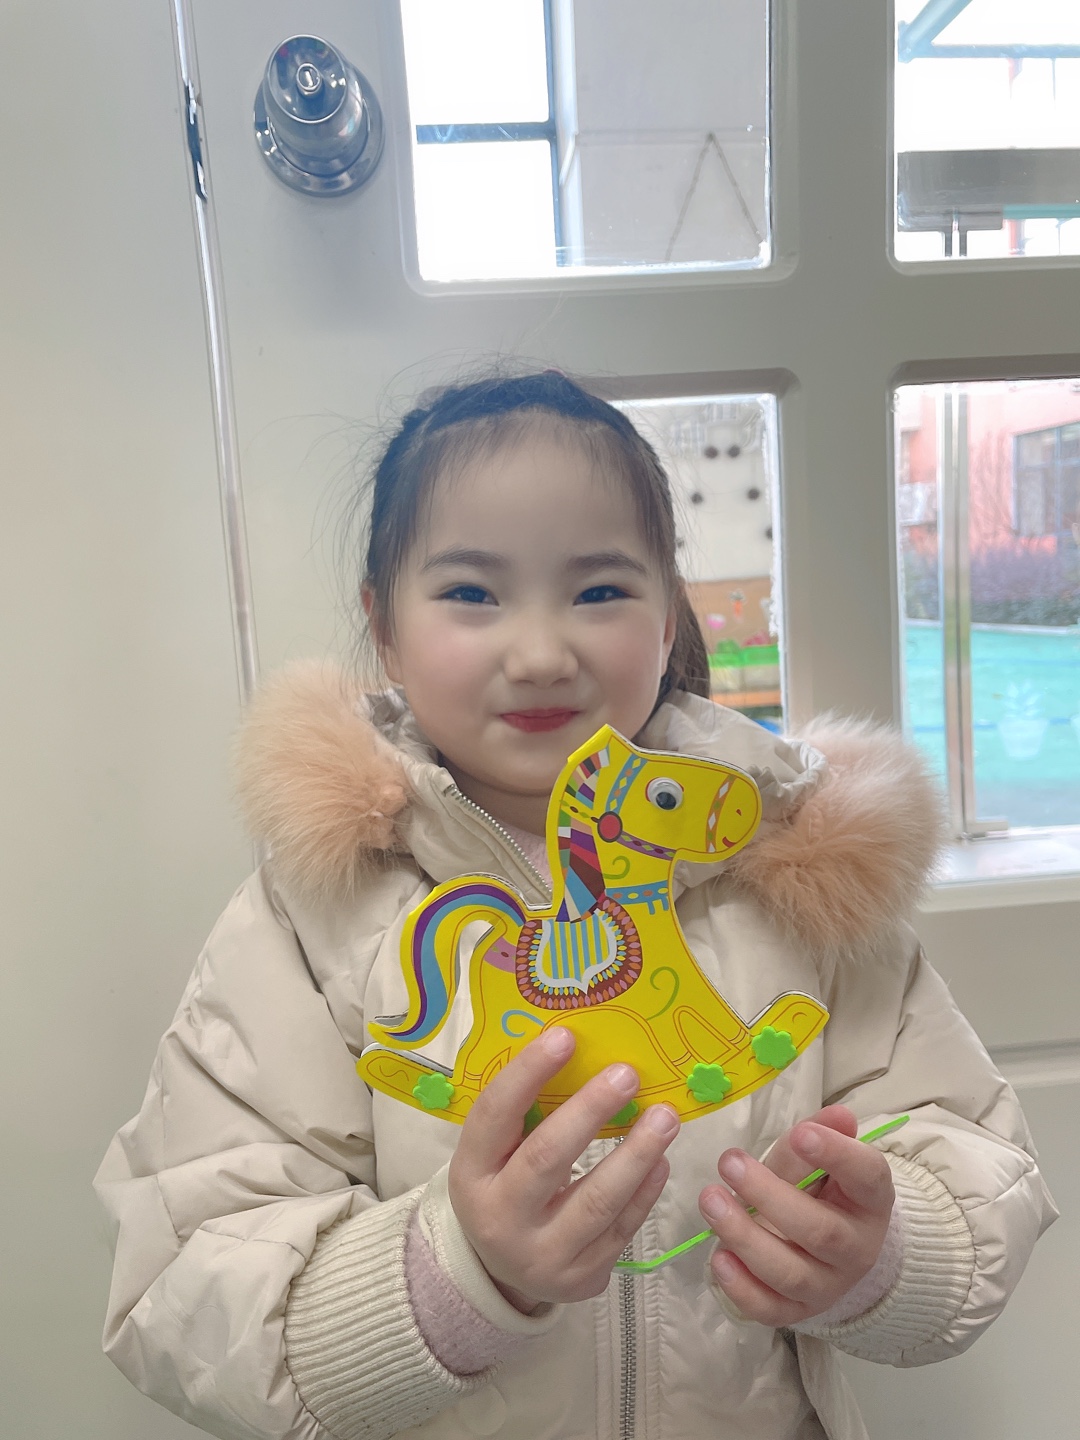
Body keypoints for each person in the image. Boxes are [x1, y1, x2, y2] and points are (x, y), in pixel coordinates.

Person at [96, 371, 1055, 1440]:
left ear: (667, 616)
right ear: (385, 628)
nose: (543, 652)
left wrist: (884, 1256)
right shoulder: (309, 915)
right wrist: (456, 1278)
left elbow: (973, 1156)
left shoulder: (795, 875)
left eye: (599, 591)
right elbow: (185, 1277)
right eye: (472, 593)